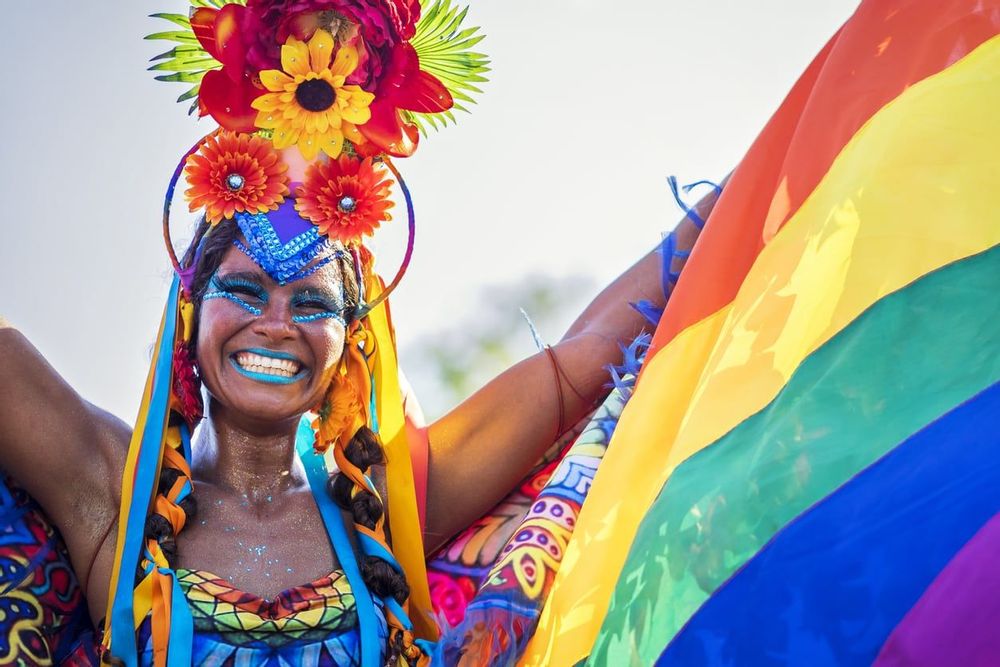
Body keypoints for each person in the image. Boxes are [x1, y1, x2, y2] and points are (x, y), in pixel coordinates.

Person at [0, 1, 718, 664]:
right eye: (244, 291)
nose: (275, 324)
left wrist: (745, 194)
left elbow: (580, 360)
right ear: (190, 308)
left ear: (352, 337)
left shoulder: (386, 504)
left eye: (311, 304)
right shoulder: (113, 496)